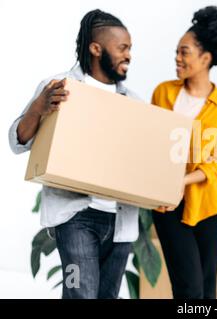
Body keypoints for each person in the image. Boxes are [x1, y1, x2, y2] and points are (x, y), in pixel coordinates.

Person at [8, 9, 139, 299]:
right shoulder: (57, 88)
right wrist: (38, 108)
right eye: (123, 48)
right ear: (96, 48)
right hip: (76, 217)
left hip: (121, 223)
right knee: (79, 294)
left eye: (130, 48)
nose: (129, 55)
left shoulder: (133, 103)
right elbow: (18, 141)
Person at [150, 6, 217, 299]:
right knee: (188, 288)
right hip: (167, 206)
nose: (177, 58)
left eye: (184, 52)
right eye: (177, 52)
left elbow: (214, 165)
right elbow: (152, 146)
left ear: (205, 58)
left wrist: (177, 181)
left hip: (207, 206)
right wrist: (164, 186)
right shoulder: (163, 93)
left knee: (207, 290)